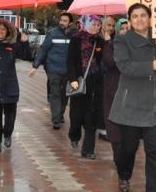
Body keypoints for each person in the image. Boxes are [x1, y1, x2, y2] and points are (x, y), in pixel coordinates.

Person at [109, 3, 156, 192]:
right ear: (129, 20)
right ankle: (124, 173)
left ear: (150, 18)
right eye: (135, 16)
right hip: (132, 105)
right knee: (128, 148)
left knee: (154, 151)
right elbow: (124, 66)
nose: (139, 19)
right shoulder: (122, 40)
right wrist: (151, 66)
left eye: (143, 15)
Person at [0, 19, 30, 152]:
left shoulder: (13, 46)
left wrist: (24, 43)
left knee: (10, 114)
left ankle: (7, 134)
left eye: (4, 29)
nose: (1, 31)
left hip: (9, 85)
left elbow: (27, 56)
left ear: (7, 32)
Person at [67, 15, 105, 159]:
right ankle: (74, 135)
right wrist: (72, 79)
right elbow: (70, 61)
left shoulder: (100, 40)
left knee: (92, 116)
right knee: (76, 116)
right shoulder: (76, 39)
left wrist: (105, 43)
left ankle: (88, 150)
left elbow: (103, 60)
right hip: (79, 80)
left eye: (98, 25)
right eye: (93, 24)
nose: (96, 27)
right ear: (86, 24)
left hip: (95, 83)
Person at [30, 12, 75, 129]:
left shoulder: (74, 35)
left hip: (68, 70)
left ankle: (59, 115)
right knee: (55, 93)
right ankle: (56, 119)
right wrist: (35, 66)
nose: (62, 22)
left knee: (65, 95)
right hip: (53, 69)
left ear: (70, 23)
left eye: (65, 21)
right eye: (61, 20)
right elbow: (43, 50)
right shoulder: (52, 33)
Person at [101, 16, 124, 169]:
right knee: (114, 128)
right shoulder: (111, 43)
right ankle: (119, 158)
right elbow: (110, 62)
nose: (125, 31)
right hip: (112, 90)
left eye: (128, 28)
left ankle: (125, 157)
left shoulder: (133, 46)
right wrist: (108, 42)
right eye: (122, 28)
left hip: (130, 93)